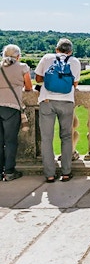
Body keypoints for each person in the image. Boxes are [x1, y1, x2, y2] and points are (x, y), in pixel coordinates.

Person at [35, 38, 81, 183]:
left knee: (47, 139)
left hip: (47, 100)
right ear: (70, 51)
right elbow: (74, 83)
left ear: (57, 49)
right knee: (66, 137)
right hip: (66, 101)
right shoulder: (75, 61)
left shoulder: (47, 58)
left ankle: (49, 174)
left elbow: (38, 78)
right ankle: (66, 172)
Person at [0, 44, 33, 181]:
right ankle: (9, 172)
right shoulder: (22, 67)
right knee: (10, 141)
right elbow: (29, 87)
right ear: (18, 56)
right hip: (12, 107)